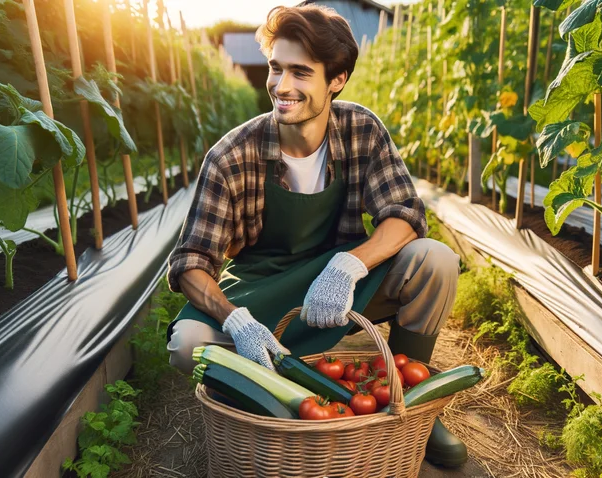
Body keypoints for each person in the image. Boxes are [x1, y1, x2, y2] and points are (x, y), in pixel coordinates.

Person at [165, 3, 466, 468]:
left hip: (336, 288)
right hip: (259, 290)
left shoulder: (362, 130)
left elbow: (405, 214)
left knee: (435, 261)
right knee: (187, 346)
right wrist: (235, 320)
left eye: (301, 73)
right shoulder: (231, 155)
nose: (282, 87)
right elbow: (190, 263)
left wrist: (350, 264)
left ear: (337, 80)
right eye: (276, 68)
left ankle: (411, 402)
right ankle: (276, 406)